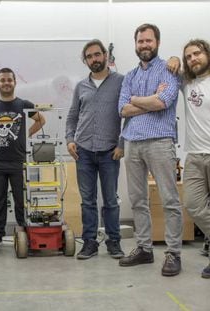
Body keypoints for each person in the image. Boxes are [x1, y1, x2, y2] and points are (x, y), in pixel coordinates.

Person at [117, 24, 183, 276]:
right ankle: (144, 249)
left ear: (157, 42)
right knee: (137, 199)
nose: (144, 45)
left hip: (160, 141)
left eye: (148, 40)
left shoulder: (169, 70)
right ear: (135, 44)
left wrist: (136, 100)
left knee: (169, 200)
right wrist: (147, 102)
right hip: (132, 142)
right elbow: (122, 109)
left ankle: (174, 253)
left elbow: (163, 101)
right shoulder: (130, 76)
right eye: (140, 41)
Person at [66, 39, 125, 260]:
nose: (94, 59)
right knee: (87, 200)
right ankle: (89, 242)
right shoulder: (81, 86)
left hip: (110, 151)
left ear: (105, 56)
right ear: (86, 60)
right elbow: (73, 115)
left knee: (110, 199)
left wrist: (122, 143)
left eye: (97, 54)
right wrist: (70, 139)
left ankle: (114, 242)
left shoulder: (121, 82)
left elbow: (127, 115)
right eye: (89, 56)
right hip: (84, 151)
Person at [0, 68, 45, 245]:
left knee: (22, 203)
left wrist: (26, 135)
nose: (6, 83)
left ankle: (26, 236)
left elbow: (41, 120)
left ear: (15, 82)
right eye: (3, 80)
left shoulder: (24, 105)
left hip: (18, 163)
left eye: (9, 80)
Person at [180, 39, 210, 278]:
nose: (192, 59)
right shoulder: (187, 82)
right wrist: (174, 61)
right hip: (195, 155)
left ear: (208, 53)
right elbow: (172, 69)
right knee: (194, 205)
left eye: (196, 54)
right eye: (188, 56)